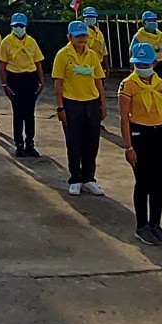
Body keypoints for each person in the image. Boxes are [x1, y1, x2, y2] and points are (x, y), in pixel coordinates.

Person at [119, 42, 162, 247]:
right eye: (139, 64)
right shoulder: (128, 85)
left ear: (154, 63)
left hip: (159, 134)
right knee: (143, 181)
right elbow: (124, 118)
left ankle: (156, 223)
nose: (143, 68)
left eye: (146, 64)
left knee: (158, 182)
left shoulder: (161, 85)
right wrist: (128, 146)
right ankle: (142, 225)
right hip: (140, 134)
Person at [51, 19, 107, 197]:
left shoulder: (92, 56)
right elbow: (58, 83)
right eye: (78, 36)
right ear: (70, 37)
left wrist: (102, 103)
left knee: (92, 142)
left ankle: (89, 178)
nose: (81, 39)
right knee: (74, 142)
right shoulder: (63, 55)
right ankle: (75, 178)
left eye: (84, 36)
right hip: (71, 103)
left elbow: (98, 80)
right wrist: (60, 107)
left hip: (91, 103)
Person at [0, 13, 44, 156]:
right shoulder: (6, 42)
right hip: (15, 78)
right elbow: (2, 64)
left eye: (21, 26)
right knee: (18, 113)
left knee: (30, 114)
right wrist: (5, 84)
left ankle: (30, 142)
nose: (19, 28)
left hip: (30, 77)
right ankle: (19, 144)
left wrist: (41, 80)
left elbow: (38, 62)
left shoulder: (31, 42)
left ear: (25, 26)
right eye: (16, 26)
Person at [131, 10, 162, 75]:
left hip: (160, 65)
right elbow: (132, 52)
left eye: (154, 20)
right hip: (145, 65)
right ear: (144, 23)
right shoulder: (138, 37)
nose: (153, 22)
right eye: (150, 20)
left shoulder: (161, 35)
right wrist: (133, 69)